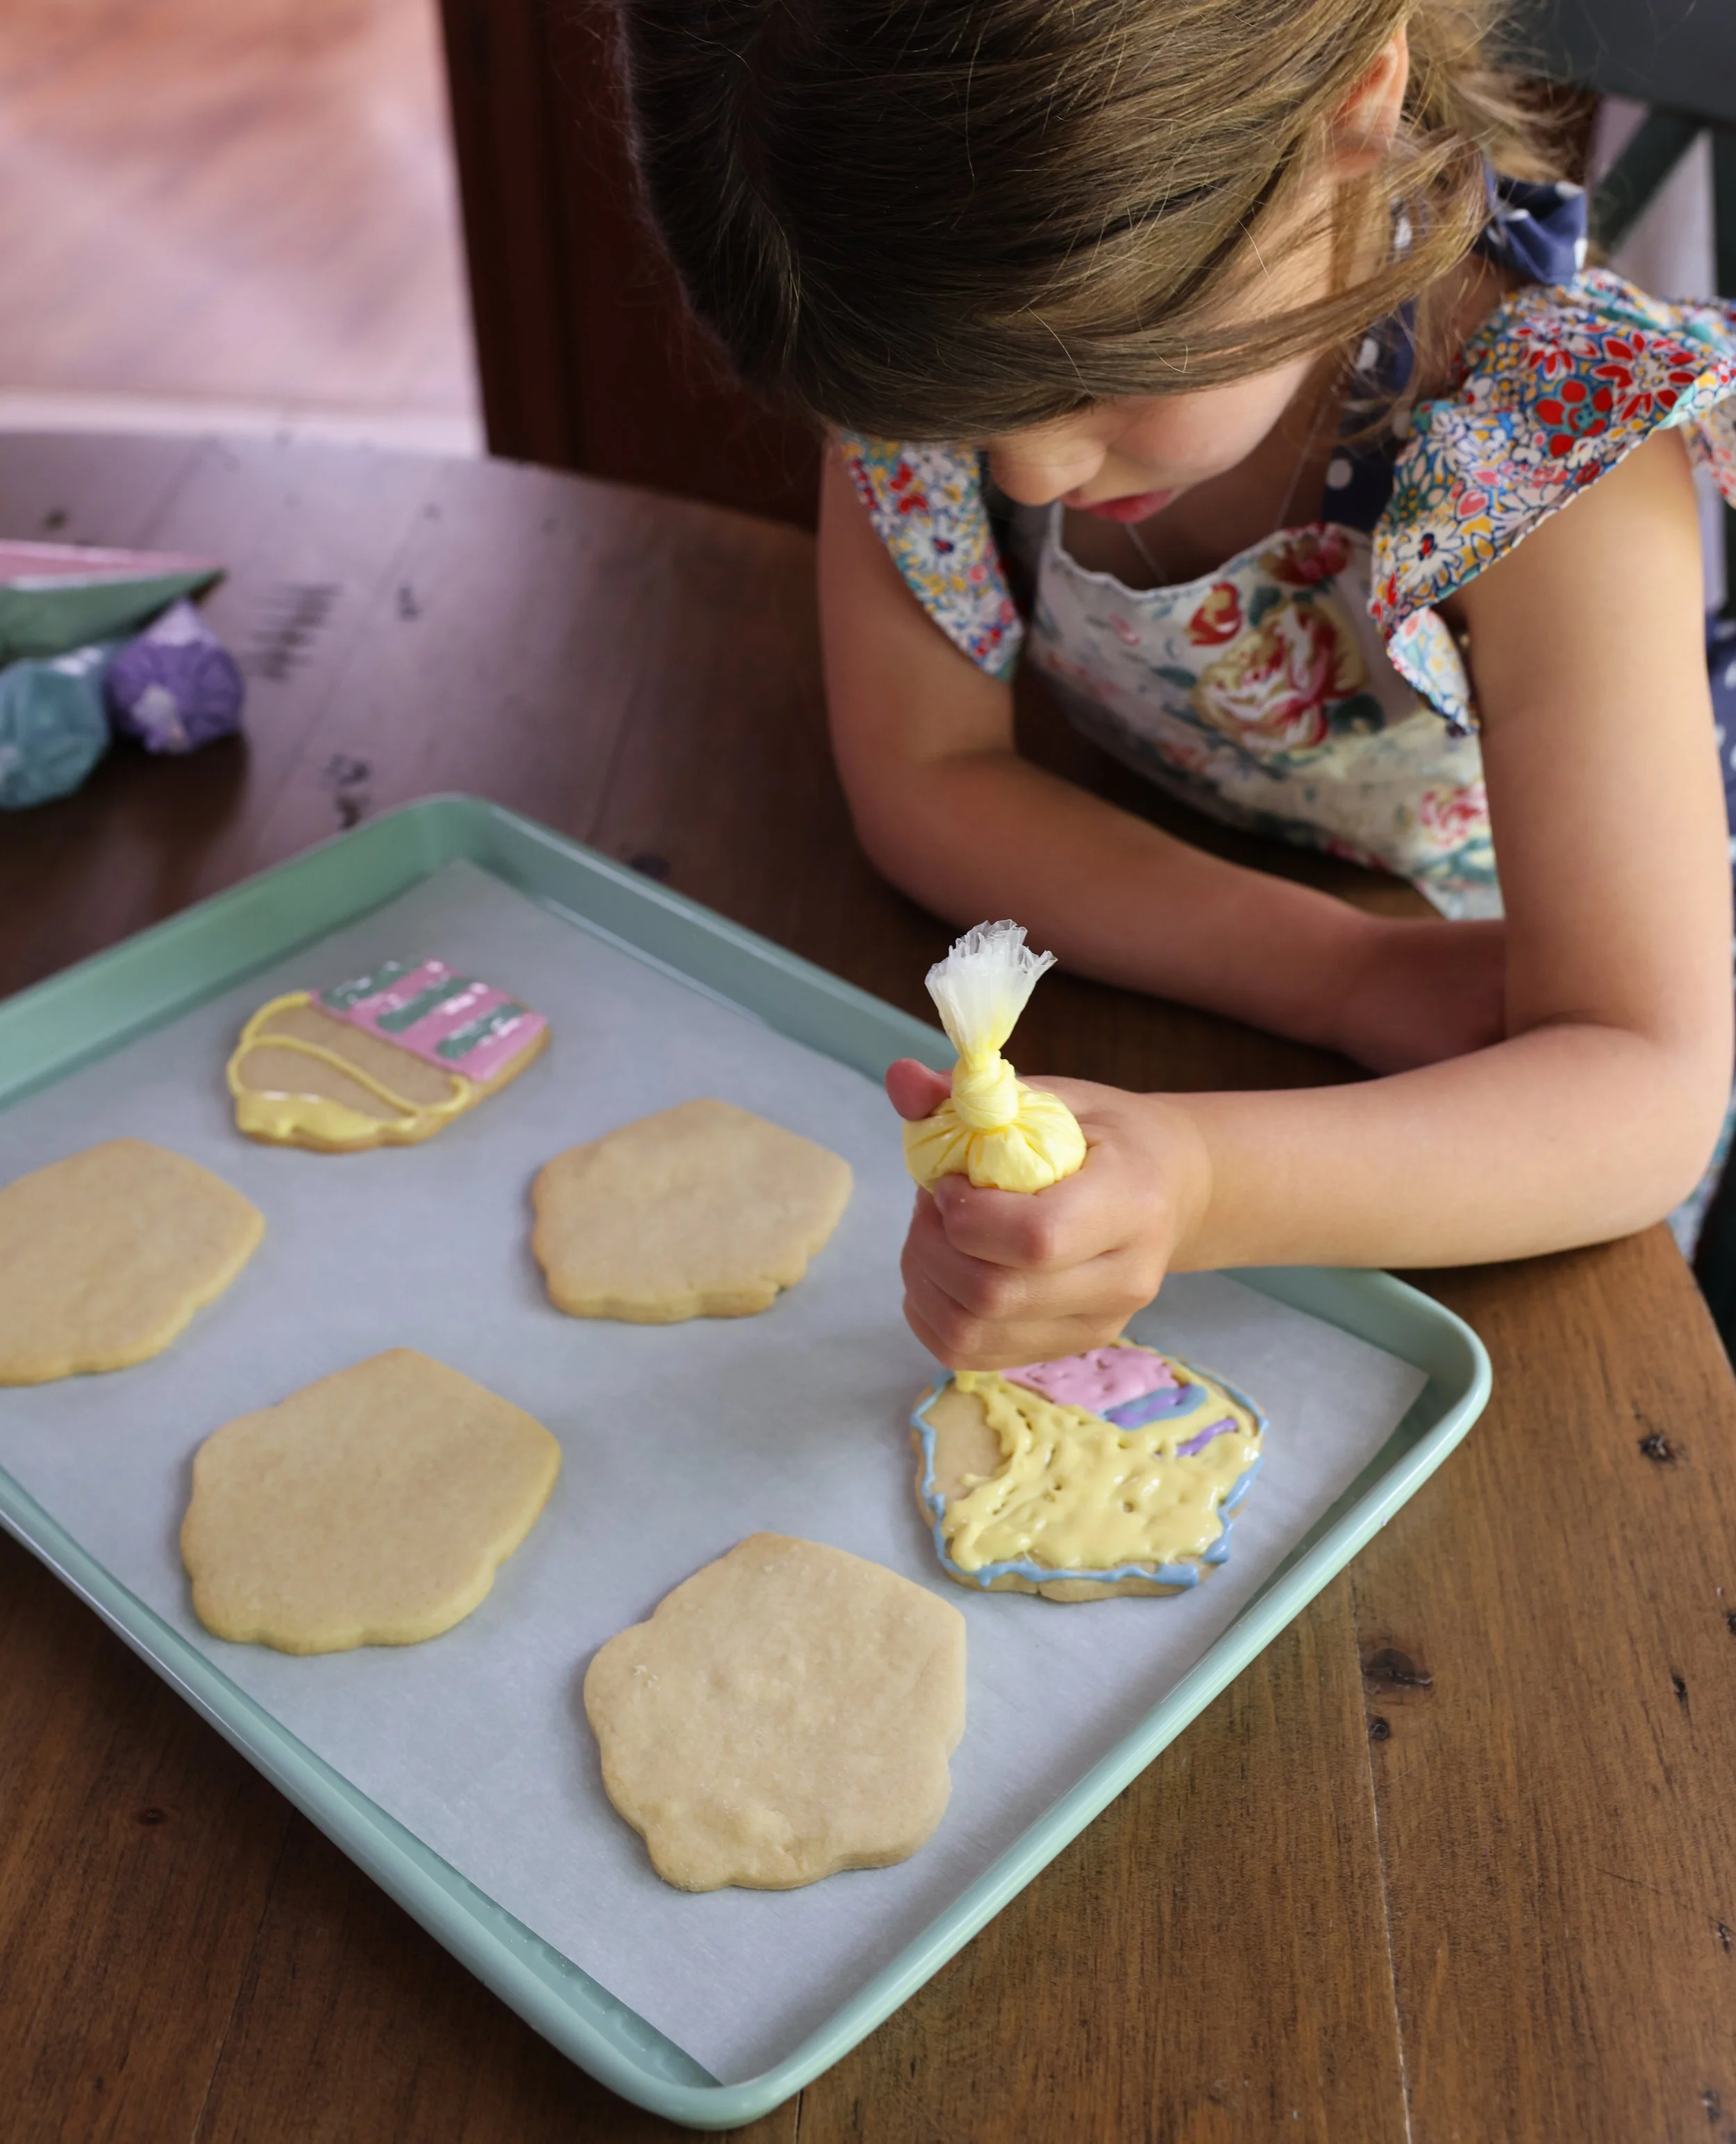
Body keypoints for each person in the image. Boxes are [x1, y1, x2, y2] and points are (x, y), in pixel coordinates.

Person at [617, 0, 1736, 1367]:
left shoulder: (1554, 453)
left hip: (1502, 1081)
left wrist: (1199, 1177)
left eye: (1100, 377)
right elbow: (925, 778)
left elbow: (1637, 1085)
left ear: (1353, 115)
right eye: (962, 418)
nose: (1020, 472)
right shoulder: (915, 308)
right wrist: (1334, 971)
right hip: (1313, 960)